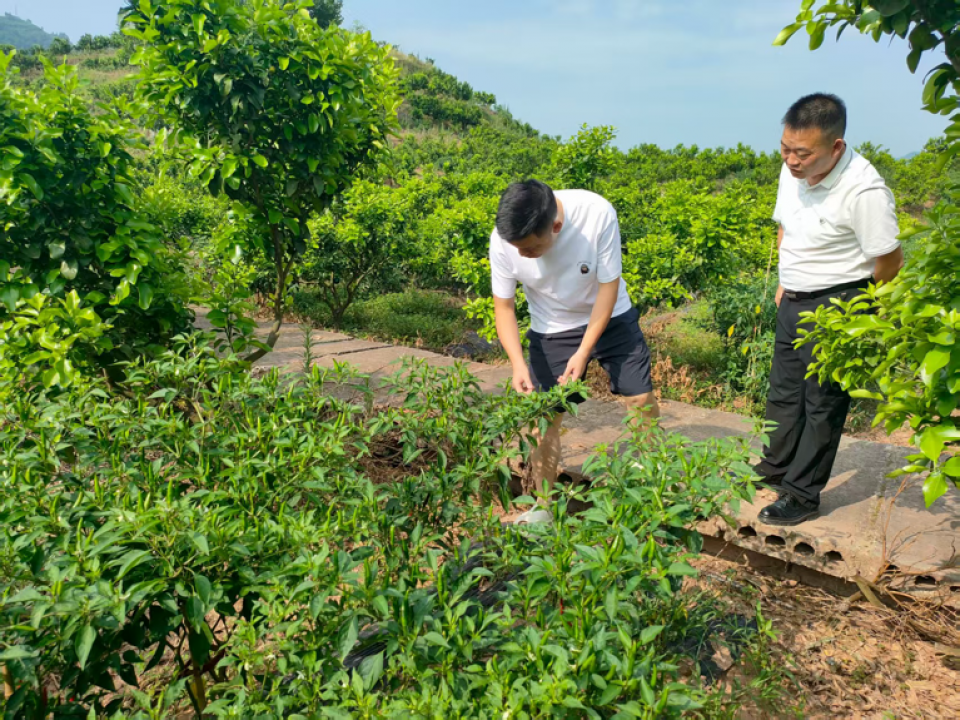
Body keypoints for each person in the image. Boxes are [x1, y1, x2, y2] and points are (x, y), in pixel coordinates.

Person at [754, 93, 904, 526]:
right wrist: (786, 279)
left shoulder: (864, 190)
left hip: (839, 302)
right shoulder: (792, 172)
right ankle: (774, 468)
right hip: (794, 296)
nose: (791, 161)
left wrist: (861, 309)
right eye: (785, 148)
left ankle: (802, 494)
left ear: (836, 147)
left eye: (802, 153)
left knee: (823, 403)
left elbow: (890, 260)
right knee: (784, 392)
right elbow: (787, 226)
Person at [489, 180, 659, 521]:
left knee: (640, 399)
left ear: (555, 227)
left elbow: (608, 288)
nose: (522, 256)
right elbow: (504, 307)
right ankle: (544, 507)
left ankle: (653, 486)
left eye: (530, 249)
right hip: (551, 325)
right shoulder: (504, 240)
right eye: (517, 249)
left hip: (610, 315)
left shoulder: (596, 213)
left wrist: (583, 352)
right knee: (543, 418)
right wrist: (518, 364)